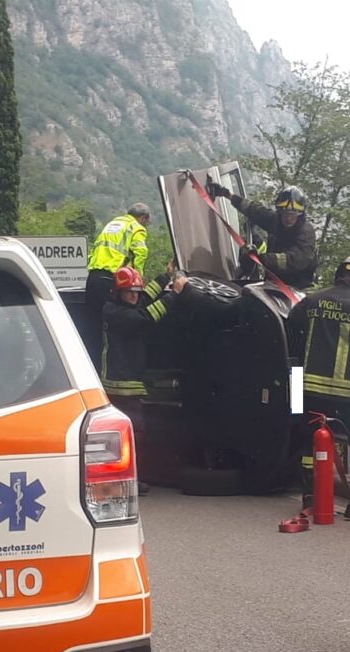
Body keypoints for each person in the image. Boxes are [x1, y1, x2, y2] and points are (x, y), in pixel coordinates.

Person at [287, 253, 350, 510]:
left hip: (304, 389)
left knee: (306, 440)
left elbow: (291, 328)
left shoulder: (311, 300)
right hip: (349, 393)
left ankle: (309, 495)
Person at [102, 265, 187, 495]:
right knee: (133, 435)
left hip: (128, 382)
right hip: (121, 385)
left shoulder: (123, 305)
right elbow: (148, 317)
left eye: (136, 292)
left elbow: (146, 297)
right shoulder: (116, 313)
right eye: (129, 292)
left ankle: (127, 478)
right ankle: (127, 479)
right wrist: (175, 294)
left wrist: (166, 275)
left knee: (132, 435)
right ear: (118, 293)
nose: (134, 296)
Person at [204, 181, 317, 289]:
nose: (288, 218)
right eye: (285, 213)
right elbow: (254, 210)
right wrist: (226, 194)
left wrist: (263, 258)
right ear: (279, 212)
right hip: (272, 284)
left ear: (300, 215)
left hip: (299, 289)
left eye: (292, 214)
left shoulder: (306, 232)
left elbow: (296, 260)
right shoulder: (276, 222)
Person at [84, 203, 153, 369]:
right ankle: (112, 370)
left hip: (93, 277)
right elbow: (140, 253)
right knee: (113, 328)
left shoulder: (112, 224)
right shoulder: (136, 227)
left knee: (93, 327)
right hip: (110, 278)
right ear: (144, 218)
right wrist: (137, 279)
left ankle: (91, 369)